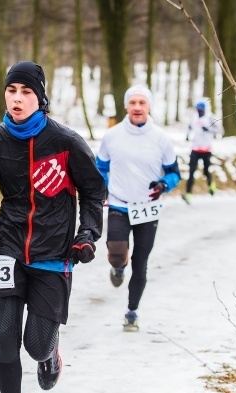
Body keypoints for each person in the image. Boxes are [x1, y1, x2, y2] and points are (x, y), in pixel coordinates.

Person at [0, 61, 105, 393]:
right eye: (11, 91)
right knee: (5, 337)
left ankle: (51, 352)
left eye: (26, 91)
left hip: (52, 254)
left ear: (40, 97)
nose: (17, 98)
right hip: (6, 247)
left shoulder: (65, 141)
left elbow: (94, 192)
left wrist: (87, 235)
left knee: (34, 345)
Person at [96, 85, 181, 332]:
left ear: (149, 107)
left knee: (140, 262)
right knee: (116, 250)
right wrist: (103, 188)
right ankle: (117, 266)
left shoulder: (161, 138)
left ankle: (132, 311)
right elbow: (100, 167)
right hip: (119, 203)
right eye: (132, 102)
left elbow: (175, 173)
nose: (137, 107)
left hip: (148, 208)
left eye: (142, 103)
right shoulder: (112, 136)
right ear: (126, 106)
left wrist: (164, 185)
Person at [184, 101, 222, 204]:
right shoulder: (194, 118)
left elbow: (220, 130)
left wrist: (209, 129)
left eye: (201, 110)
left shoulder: (210, 118)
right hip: (195, 149)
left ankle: (211, 186)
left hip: (206, 150)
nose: (199, 111)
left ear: (204, 109)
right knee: (191, 172)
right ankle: (188, 194)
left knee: (206, 171)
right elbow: (189, 127)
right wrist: (187, 136)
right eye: (198, 109)